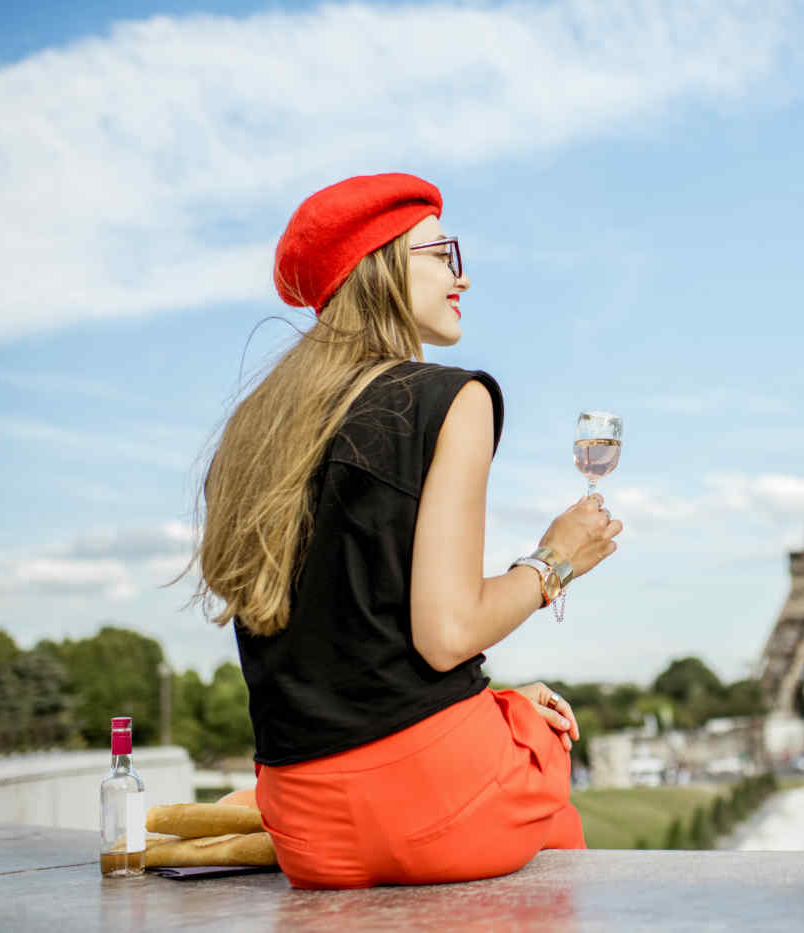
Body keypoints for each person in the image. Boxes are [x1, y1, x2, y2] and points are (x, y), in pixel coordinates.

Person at [193, 172, 623, 888]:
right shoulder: (453, 399)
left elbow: (354, 654)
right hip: (427, 803)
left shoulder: (255, 430)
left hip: (305, 826)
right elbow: (447, 633)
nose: (463, 276)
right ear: (384, 266)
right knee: (550, 798)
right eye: (443, 253)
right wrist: (556, 560)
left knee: (511, 722)